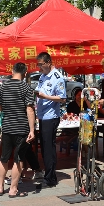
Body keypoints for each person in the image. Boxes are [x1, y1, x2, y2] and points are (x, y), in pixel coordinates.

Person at [0, 63, 35, 198]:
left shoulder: (3, 86)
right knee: (18, 159)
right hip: (21, 128)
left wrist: (8, 108)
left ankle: (0, 187)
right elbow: (29, 109)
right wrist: (32, 130)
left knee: (4, 158)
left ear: (12, 71)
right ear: (25, 72)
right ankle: (13, 189)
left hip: (7, 127)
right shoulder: (26, 88)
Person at [35, 52, 66, 187]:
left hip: (51, 116)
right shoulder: (43, 76)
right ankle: (48, 174)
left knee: (49, 148)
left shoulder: (57, 77)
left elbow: (63, 98)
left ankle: (51, 177)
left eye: (41, 65)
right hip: (42, 115)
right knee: (44, 148)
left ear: (48, 62)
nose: (39, 68)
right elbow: (39, 91)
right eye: (38, 65)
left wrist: (45, 97)